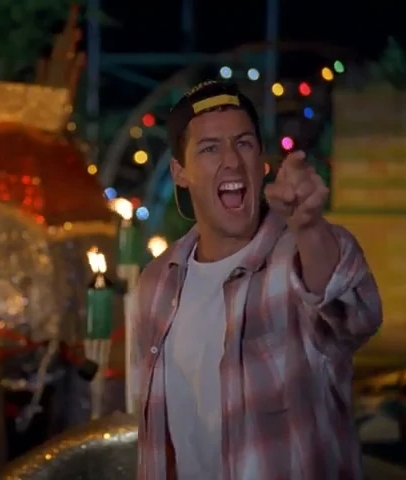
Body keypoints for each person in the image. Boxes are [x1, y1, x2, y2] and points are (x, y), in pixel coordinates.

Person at [129, 81, 382, 479]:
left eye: (244, 143)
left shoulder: (296, 257)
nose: (231, 160)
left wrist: (309, 227)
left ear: (261, 161)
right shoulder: (157, 284)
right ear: (180, 172)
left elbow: (354, 312)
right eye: (209, 148)